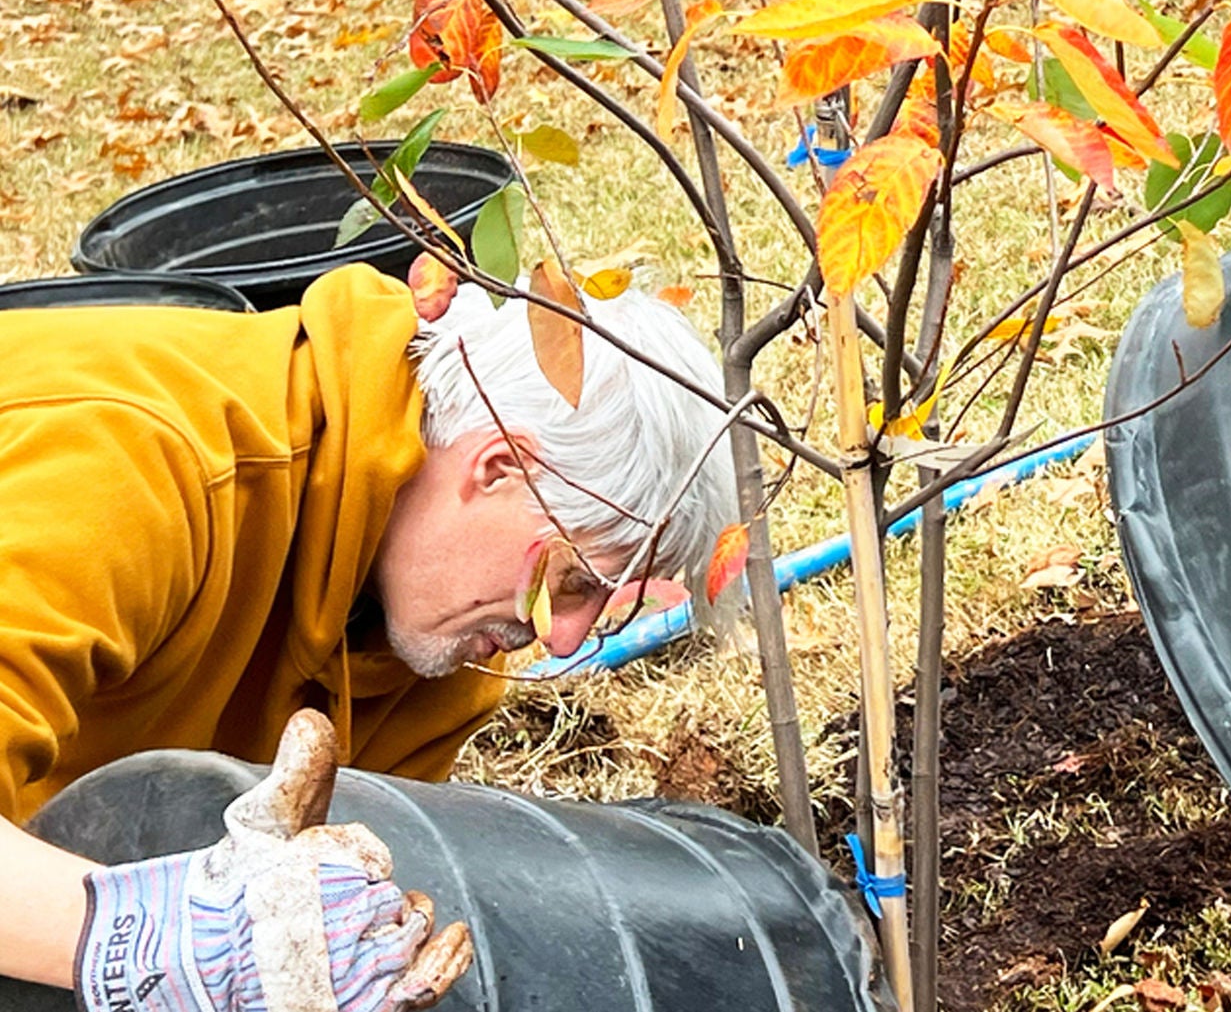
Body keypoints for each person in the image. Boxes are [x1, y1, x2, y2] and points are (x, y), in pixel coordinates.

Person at [0, 262, 739, 1007]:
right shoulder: (149, 468)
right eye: (574, 581)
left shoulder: (440, 657)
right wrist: (156, 937)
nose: (565, 639)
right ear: (500, 465)